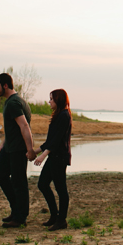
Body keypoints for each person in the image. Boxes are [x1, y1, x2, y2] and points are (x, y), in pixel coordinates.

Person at [0, 72, 36, 228]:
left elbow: (24, 126)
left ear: (5, 85)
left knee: (19, 182)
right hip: (9, 148)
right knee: (0, 174)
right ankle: (16, 209)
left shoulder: (14, 103)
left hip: (18, 149)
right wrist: (3, 145)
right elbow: (13, 128)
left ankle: (20, 217)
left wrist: (30, 149)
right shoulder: (11, 101)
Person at [33, 89, 72, 232]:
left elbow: (56, 141)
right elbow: (50, 140)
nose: (49, 101)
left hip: (59, 157)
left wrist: (43, 155)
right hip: (53, 156)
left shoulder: (64, 115)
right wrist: (34, 151)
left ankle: (61, 220)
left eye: (51, 99)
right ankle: (54, 216)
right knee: (42, 184)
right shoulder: (58, 115)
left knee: (61, 189)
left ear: (59, 100)